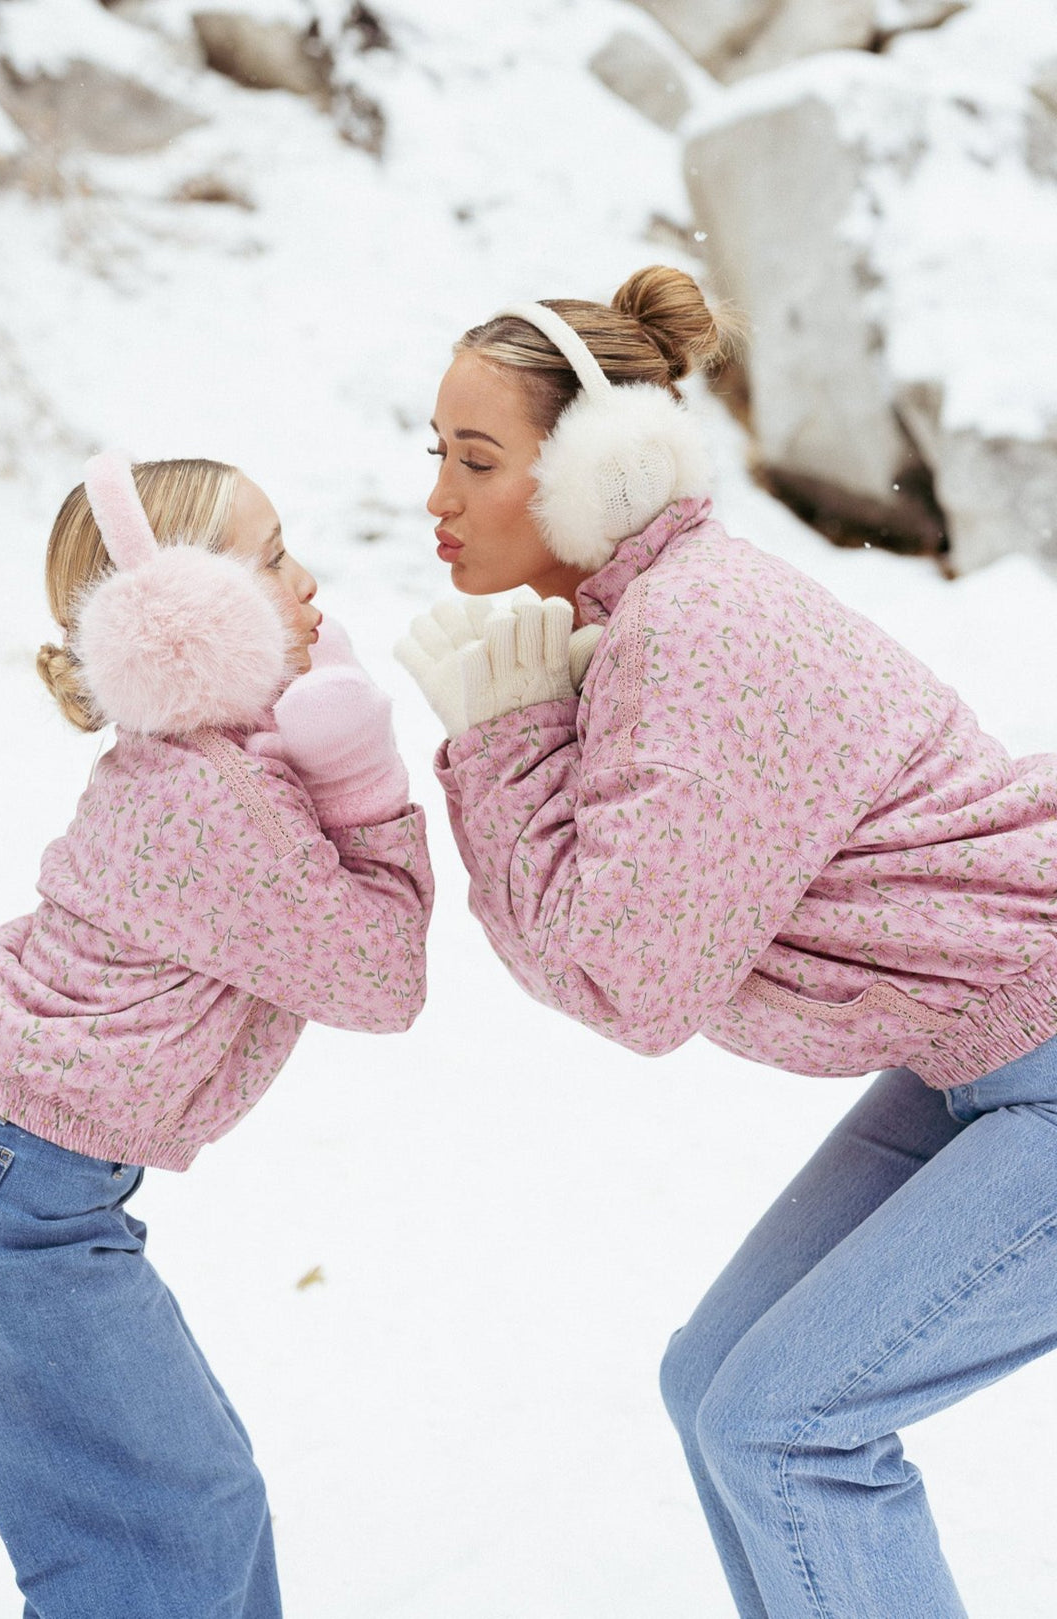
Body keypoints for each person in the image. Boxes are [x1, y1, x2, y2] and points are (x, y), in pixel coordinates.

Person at [396, 264, 1057, 1617]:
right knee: (716, 1383)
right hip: (982, 1053)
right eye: (435, 454)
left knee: (786, 1426)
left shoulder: (696, 633)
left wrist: (506, 741)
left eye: (478, 457)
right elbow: (589, 949)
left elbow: (624, 981)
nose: (438, 500)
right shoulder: (638, 622)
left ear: (596, 469)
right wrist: (515, 739)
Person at [0, 452, 433, 1618]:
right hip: (11, 1190)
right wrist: (368, 779)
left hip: (27, 1180)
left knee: (188, 1519)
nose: (310, 582)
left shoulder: (215, 767)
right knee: (162, 1549)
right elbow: (381, 974)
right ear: (184, 616)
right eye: (272, 558)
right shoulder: (209, 797)